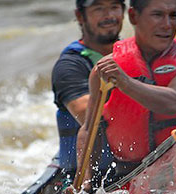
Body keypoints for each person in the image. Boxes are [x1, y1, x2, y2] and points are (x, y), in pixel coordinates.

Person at [74, 0, 176, 192]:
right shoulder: (105, 71)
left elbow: (175, 102)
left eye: (173, 15)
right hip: (129, 173)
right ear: (133, 16)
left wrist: (125, 82)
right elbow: (89, 129)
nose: (167, 25)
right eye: (157, 15)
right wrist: (84, 183)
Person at [50, 0, 126, 189]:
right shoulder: (69, 65)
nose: (109, 15)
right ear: (79, 16)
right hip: (88, 179)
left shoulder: (137, 54)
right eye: (99, 9)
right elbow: (87, 114)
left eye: (114, 7)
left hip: (135, 166)